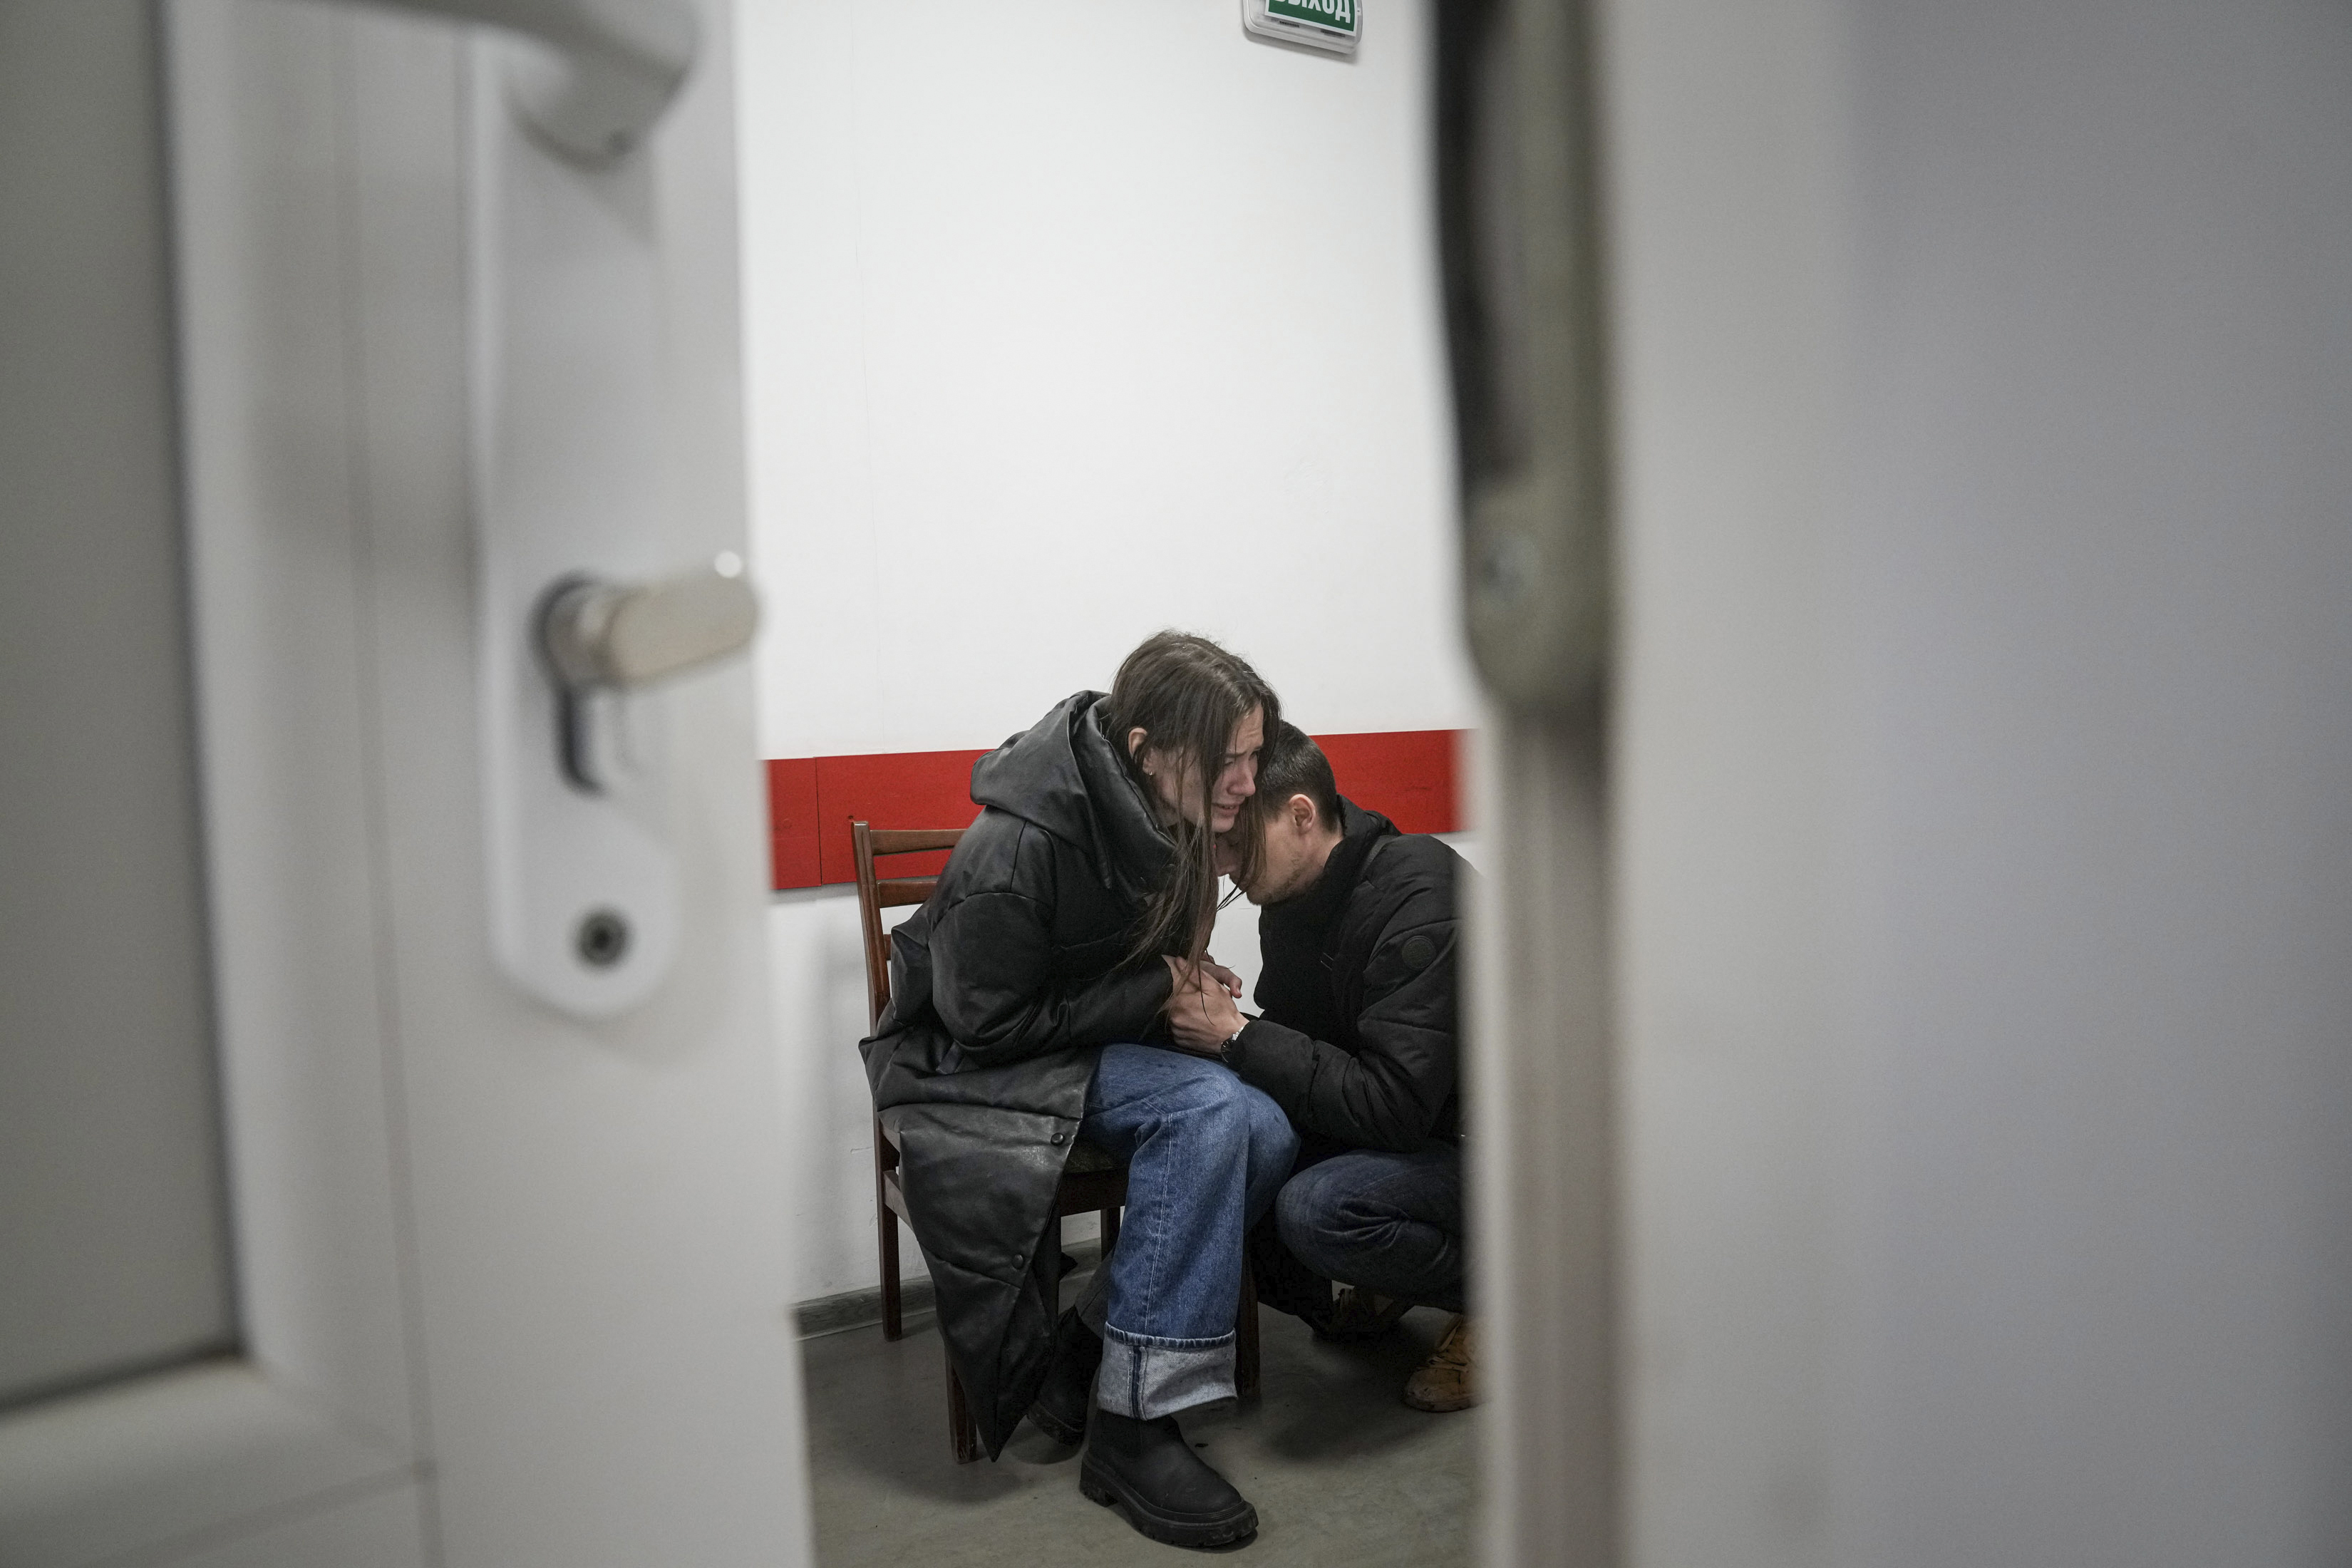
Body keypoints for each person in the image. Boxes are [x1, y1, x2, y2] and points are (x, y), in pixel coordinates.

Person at [861, 631, 1296, 1550]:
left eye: (1255, 756)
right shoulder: (1016, 846)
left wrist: (1191, 976)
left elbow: (1124, 962)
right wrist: (1155, 989)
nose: (1247, 781)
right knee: (1212, 1109)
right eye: (1229, 759)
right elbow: (984, 1026)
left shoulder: (1160, 816)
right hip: (975, 1069)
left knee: (1265, 1121)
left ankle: (1091, 1347)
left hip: (1078, 1045)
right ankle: (1134, 1427)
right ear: (1146, 750)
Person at [1166, 721, 1475, 1410]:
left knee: (1320, 1208)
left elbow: (1391, 1104)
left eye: (1236, 842)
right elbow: (1311, 1052)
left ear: (1301, 815)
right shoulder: (1298, 897)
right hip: (1425, 1131)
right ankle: (1401, 1274)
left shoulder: (1419, 897)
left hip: (1510, 1153)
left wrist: (1239, 1036)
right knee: (1240, 1152)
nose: (1224, 864)